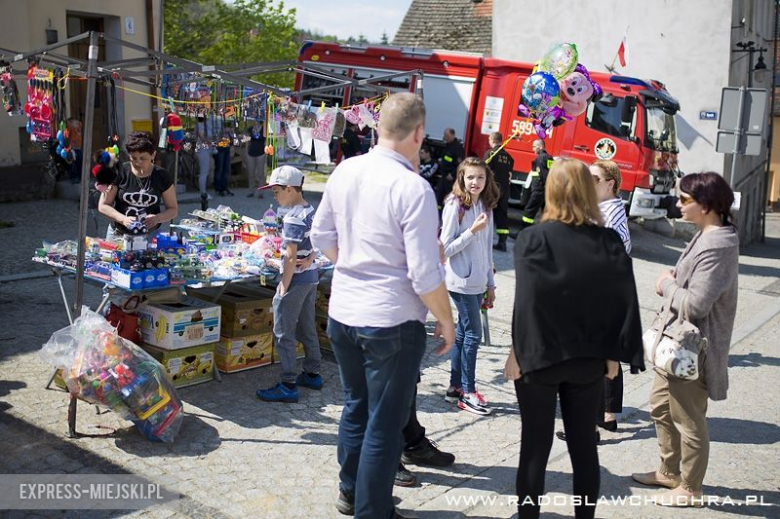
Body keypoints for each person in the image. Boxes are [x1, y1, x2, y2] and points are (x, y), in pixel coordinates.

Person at [311, 92, 455, 519]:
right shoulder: (414, 187)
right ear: (418, 134)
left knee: (357, 406)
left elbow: (320, 237)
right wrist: (447, 320)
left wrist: (354, 265)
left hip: (345, 314)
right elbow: (425, 274)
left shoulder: (346, 170)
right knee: (383, 422)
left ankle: (351, 492)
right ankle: (371, 510)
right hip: (390, 321)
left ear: (378, 129)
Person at [504, 158, 644, 519]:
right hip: (588, 359)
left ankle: (528, 516)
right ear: (587, 191)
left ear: (550, 189)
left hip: (539, 355)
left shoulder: (533, 237)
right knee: (584, 447)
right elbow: (620, 299)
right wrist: (613, 355)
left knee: (534, 445)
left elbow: (527, 302)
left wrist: (514, 354)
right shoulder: (609, 240)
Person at [632, 172, 739, 508]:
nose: (677, 204)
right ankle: (669, 471)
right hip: (676, 345)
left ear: (705, 206)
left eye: (684, 200)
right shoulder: (706, 234)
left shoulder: (718, 244)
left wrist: (666, 285)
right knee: (661, 407)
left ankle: (691, 488)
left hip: (695, 348)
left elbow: (696, 304)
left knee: (689, 419)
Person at [256, 166, 322, 403]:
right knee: (307, 326)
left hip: (295, 279)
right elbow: (319, 240)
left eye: (277, 191)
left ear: (290, 189)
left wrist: (283, 286)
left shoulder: (294, 217)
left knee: (283, 331)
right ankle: (313, 373)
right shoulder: (309, 209)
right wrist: (312, 258)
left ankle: (288, 384)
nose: (275, 197)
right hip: (311, 276)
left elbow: (291, 257)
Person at [440, 157, 499, 416]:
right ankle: (469, 391)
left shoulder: (485, 205)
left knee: (465, 335)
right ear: (462, 178)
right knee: (474, 334)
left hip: (478, 282)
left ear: (487, 181)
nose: (475, 182)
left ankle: (455, 388)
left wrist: (491, 283)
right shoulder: (455, 206)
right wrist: (471, 231)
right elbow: (445, 249)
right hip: (460, 281)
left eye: (480, 177)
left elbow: (487, 249)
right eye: (470, 177)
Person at [98, 131, 178, 239]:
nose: (138, 162)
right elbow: (103, 205)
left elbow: (172, 209)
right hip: (118, 235)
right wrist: (123, 219)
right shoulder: (119, 172)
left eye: (143, 158)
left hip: (150, 236)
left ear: (153, 155)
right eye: (134, 158)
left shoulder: (162, 175)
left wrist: (157, 218)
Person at [484, 132, 514, 251]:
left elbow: (484, 171)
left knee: (486, 211)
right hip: (505, 189)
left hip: (493, 188)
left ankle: (482, 240)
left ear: (491, 139)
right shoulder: (509, 157)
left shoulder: (490, 154)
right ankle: (502, 242)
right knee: (502, 214)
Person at [520, 139, 552, 229]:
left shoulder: (540, 158)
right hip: (545, 190)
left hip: (538, 190)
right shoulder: (549, 157)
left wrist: (537, 189)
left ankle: (522, 232)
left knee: (529, 211)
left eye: (534, 146)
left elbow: (543, 175)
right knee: (546, 213)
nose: (532, 149)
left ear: (540, 147)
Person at [435, 128, 464, 209]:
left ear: (453, 135)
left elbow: (460, 165)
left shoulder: (457, 148)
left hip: (451, 178)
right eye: (444, 136)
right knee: (439, 195)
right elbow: (445, 157)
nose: (445, 137)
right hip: (444, 176)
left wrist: (452, 174)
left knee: (449, 197)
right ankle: (439, 212)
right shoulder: (447, 146)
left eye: (447, 136)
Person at [195, 112, 217, 205]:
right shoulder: (200, 126)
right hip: (203, 150)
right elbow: (203, 137)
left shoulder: (205, 125)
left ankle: (204, 191)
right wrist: (212, 143)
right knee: (204, 172)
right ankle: (203, 193)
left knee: (206, 171)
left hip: (206, 150)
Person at [245, 122, 267, 198]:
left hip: (261, 153)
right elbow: (246, 141)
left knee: (260, 174)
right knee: (251, 174)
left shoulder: (264, 130)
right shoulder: (250, 129)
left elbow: (266, 141)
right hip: (251, 153)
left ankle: (261, 192)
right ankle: (251, 191)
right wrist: (246, 152)